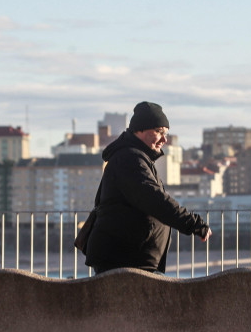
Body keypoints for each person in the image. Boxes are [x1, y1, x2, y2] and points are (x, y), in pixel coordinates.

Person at [85, 101, 212, 274]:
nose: (164, 139)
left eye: (166, 133)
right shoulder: (129, 159)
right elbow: (155, 199)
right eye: (159, 132)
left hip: (133, 260)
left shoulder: (136, 157)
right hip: (124, 260)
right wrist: (193, 223)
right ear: (140, 129)